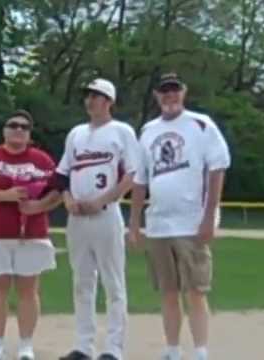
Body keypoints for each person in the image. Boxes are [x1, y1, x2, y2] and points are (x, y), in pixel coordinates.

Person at [129, 73, 231, 360]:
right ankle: (172, 349)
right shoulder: (148, 130)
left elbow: (217, 169)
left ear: (183, 93)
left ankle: (200, 351)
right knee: (168, 291)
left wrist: (209, 216)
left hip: (191, 222)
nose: (170, 96)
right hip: (159, 223)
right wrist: (135, 223)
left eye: (174, 91)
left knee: (196, 290)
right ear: (157, 96)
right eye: (164, 92)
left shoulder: (201, 125)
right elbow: (140, 179)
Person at [0, 109, 61, 360]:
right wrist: (5, 196)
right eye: (13, 125)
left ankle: (26, 346)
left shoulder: (42, 160)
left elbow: (57, 192)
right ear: (4, 130)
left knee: (28, 290)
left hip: (32, 233)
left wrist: (37, 206)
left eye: (24, 127)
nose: (18, 130)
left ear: (30, 134)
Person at [56, 78, 139, 360]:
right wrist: (67, 199)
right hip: (77, 217)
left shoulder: (121, 131)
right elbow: (63, 173)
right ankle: (83, 345)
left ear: (109, 101)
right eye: (88, 95)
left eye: (96, 95)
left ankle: (113, 349)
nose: (90, 100)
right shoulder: (76, 133)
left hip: (106, 214)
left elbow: (131, 175)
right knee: (81, 281)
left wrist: (104, 199)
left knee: (113, 282)